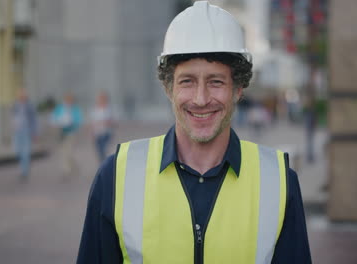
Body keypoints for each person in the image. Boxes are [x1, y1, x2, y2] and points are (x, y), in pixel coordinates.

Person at [77, 2, 311, 263]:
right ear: (169, 88)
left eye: (216, 82)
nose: (201, 99)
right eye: (187, 81)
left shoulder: (278, 182)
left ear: (238, 89)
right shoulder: (116, 175)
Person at [51, 92, 83, 179]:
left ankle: (68, 170)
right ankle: (69, 169)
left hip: (71, 133)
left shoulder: (75, 109)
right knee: (63, 152)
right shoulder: (59, 108)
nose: (69, 101)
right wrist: (58, 123)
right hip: (61, 133)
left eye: (70, 100)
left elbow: (79, 120)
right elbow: (53, 118)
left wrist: (72, 123)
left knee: (68, 152)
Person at [11, 88, 37, 182]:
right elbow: (13, 117)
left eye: (23, 95)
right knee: (17, 150)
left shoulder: (30, 106)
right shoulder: (15, 105)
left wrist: (34, 132)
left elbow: (34, 120)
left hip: (27, 131)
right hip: (17, 131)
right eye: (20, 95)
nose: (21, 97)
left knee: (25, 152)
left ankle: (24, 171)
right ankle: (24, 166)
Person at [90, 91, 115, 162]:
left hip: (106, 133)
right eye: (100, 99)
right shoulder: (95, 109)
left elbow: (112, 121)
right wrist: (92, 133)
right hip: (97, 133)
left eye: (102, 99)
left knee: (103, 149)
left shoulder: (109, 109)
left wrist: (106, 122)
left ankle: (104, 164)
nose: (101, 100)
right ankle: (102, 165)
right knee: (99, 151)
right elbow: (93, 122)